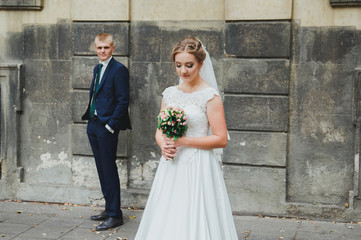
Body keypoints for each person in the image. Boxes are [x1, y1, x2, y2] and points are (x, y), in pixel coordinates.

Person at [134, 37, 238, 239]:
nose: (183, 71)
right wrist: (163, 145)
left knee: (197, 211)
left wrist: (183, 142)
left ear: (200, 63)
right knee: (169, 212)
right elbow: (159, 130)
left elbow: (221, 139)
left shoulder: (209, 96)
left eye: (189, 65)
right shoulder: (170, 94)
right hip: (172, 165)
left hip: (199, 165)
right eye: (178, 65)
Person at [82, 33, 131, 231]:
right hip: (93, 124)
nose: (102, 51)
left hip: (106, 127)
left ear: (113, 48)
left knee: (109, 169)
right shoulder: (97, 68)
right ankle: (108, 207)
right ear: (95, 48)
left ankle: (115, 215)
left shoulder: (119, 70)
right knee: (101, 169)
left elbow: (123, 100)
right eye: (99, 48)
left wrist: (111, 125)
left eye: (106, 48)